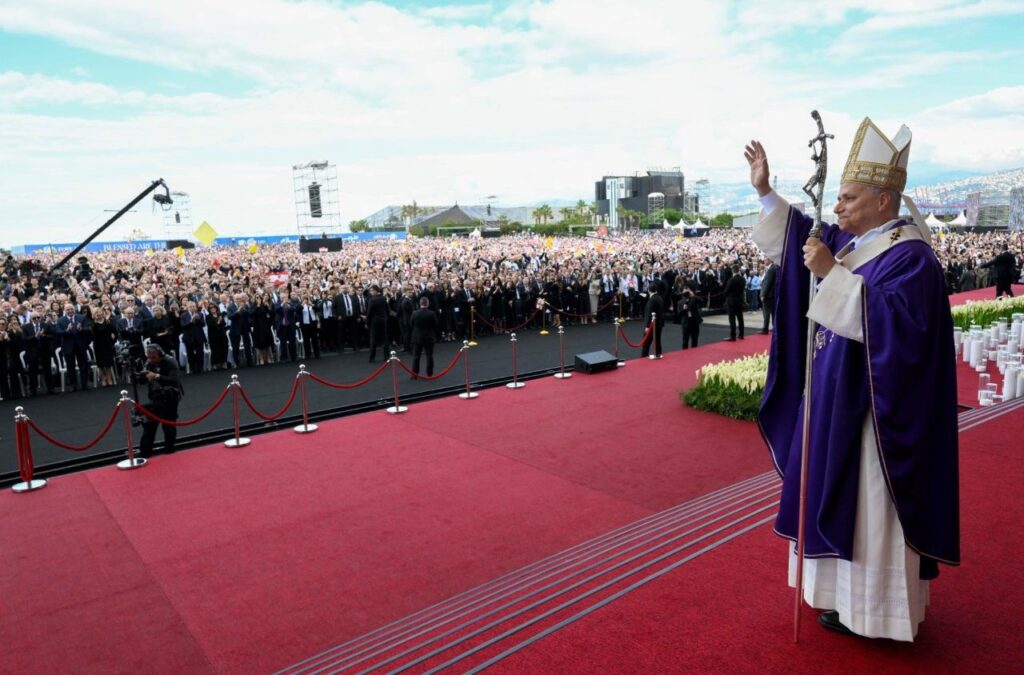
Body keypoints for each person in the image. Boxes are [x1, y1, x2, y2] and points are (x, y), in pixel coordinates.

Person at [745, 117, 959, 642]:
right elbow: (803, 239)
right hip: (838, 405)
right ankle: (845, 604)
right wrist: (766, 192)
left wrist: (831, 275)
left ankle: (876, 615)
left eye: (849, 198)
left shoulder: (912, 257)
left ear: (884, 201)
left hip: (873, 420)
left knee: (867, 514)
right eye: (837, 198)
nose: (836, 208)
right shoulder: (860, 242)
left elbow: (899, 329)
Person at [137, 343, 184, 457]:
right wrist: (140, 376)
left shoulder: (170, 361)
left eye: (154, 357)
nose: (151, 360)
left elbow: (174, 380)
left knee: (168, 426)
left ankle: (169, 450)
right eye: (149, 357)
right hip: (155, 397)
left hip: (171, 396)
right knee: (149, 426)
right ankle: (145, 453)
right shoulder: (148, 363)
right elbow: (144, 380)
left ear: (160, 354)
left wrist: (157, 376)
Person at [409, 296, 438, 378]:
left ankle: (414, 374)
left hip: (417, 337)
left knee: (416, 356)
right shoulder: (431, 313)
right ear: (427, 304)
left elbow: (411, 324)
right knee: (429, 355)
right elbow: (435, 325)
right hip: (429, 337)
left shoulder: (414, 313)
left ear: (420, 303)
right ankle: (429, 373)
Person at [640, 280, 665, 359]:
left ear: (648, 290)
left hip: (652, 324)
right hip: (659, 323)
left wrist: (647, 326)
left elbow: (649, 313)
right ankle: (658, 353)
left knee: (646, 342)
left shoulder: (652, 300)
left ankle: (643, 356)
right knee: (657, 340)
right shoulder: (659, 297)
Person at [723, 264, 746, 341]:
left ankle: (732, 336)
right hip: (739, 300)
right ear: (738, 270)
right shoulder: (743, 279)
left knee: (732, 319)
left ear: (732, 271)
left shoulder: (731, 280)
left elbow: (726, 291)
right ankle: (741, 334)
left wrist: (725, 294)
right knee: (740, 318)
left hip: (731, 301)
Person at [760, 261, 777, 334]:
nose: (764, 261)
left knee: (766, 313)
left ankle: (765, 329)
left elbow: (768, 283)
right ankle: (774, 327)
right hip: (773, 295)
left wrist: (763, 294)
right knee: (773, 312)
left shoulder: (771, 270)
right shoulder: (774, 268)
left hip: (768, 295)